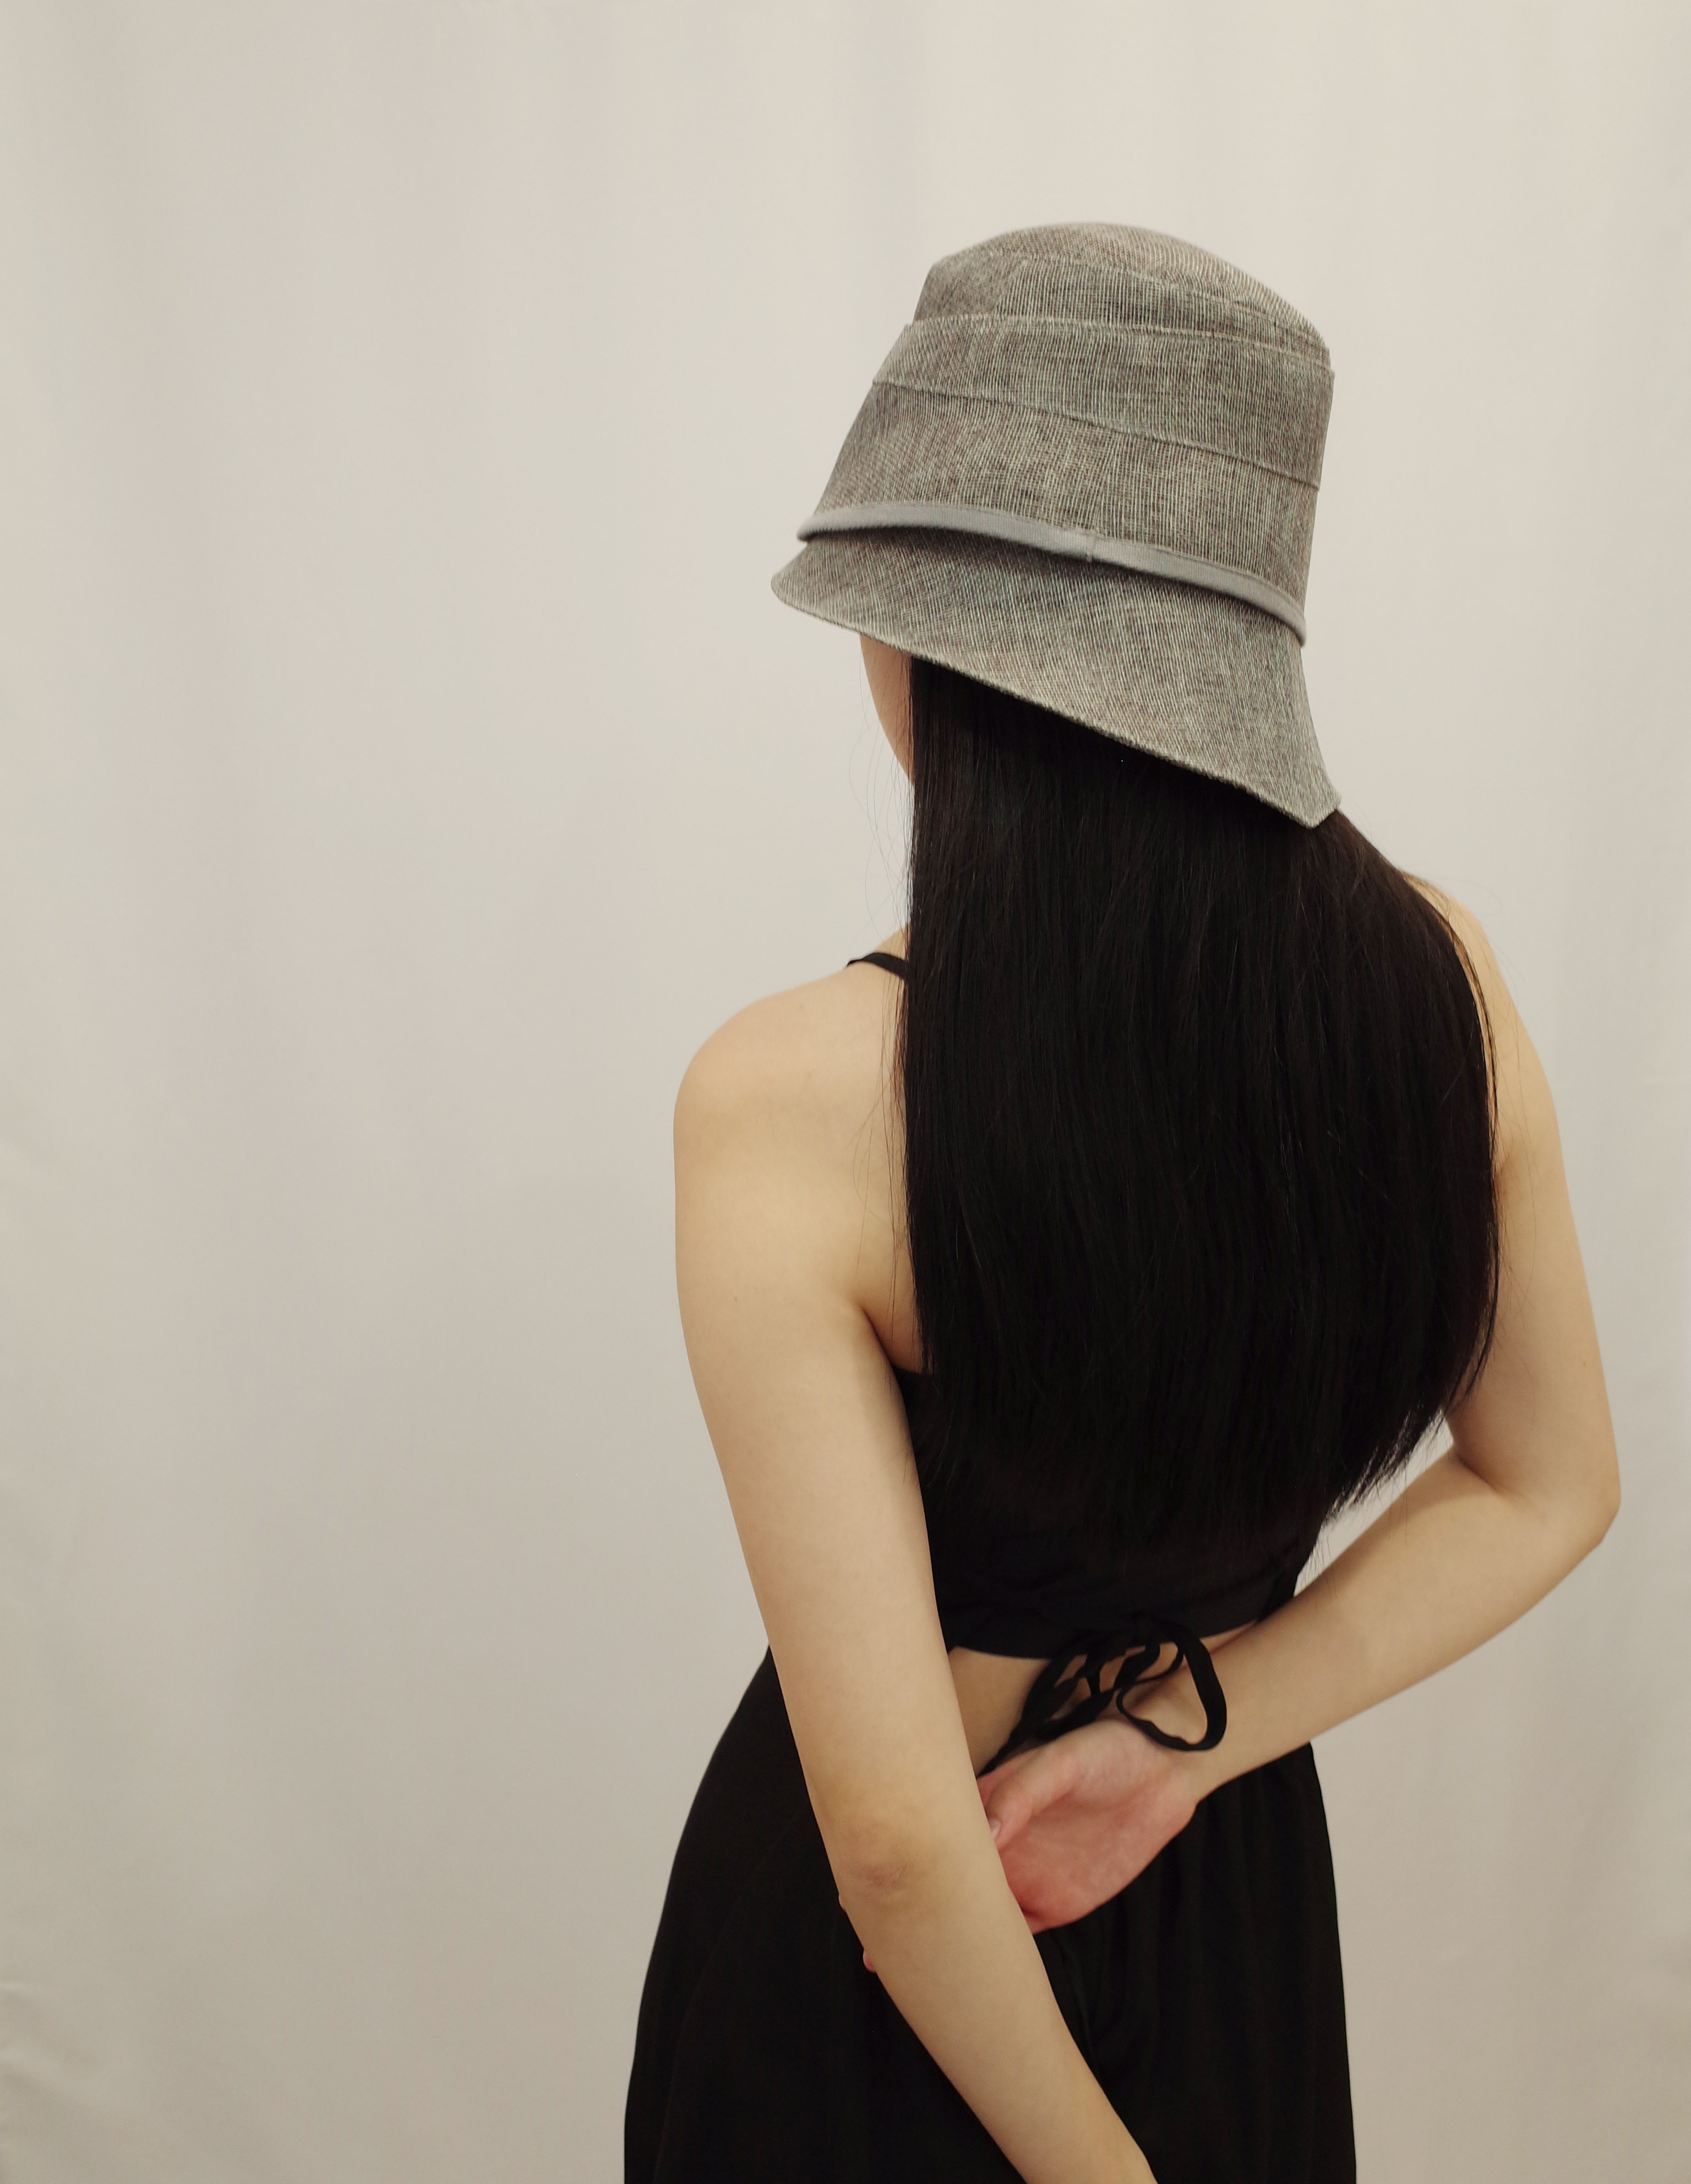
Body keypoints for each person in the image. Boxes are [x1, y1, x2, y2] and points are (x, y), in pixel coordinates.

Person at [623, 226, 1619, 2184]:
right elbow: (1551, 1485)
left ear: (935, 650)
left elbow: (897, 1850)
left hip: (881, 1999)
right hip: (1212, 1895)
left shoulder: (795, 1099)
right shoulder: (1443, 994)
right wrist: (1186, 1732)